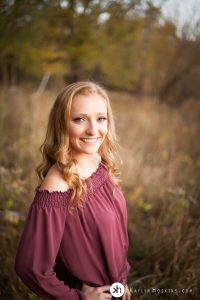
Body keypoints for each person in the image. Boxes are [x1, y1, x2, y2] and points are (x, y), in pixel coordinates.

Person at [15, 81, 131, 300]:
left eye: (101, 118)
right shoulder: (58, 184)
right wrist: (79, 297)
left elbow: (115, 236)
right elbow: (29, 266)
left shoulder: (99, 160)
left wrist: (121, 281)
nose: (93, 130)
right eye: (79, 119)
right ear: (62, 124)